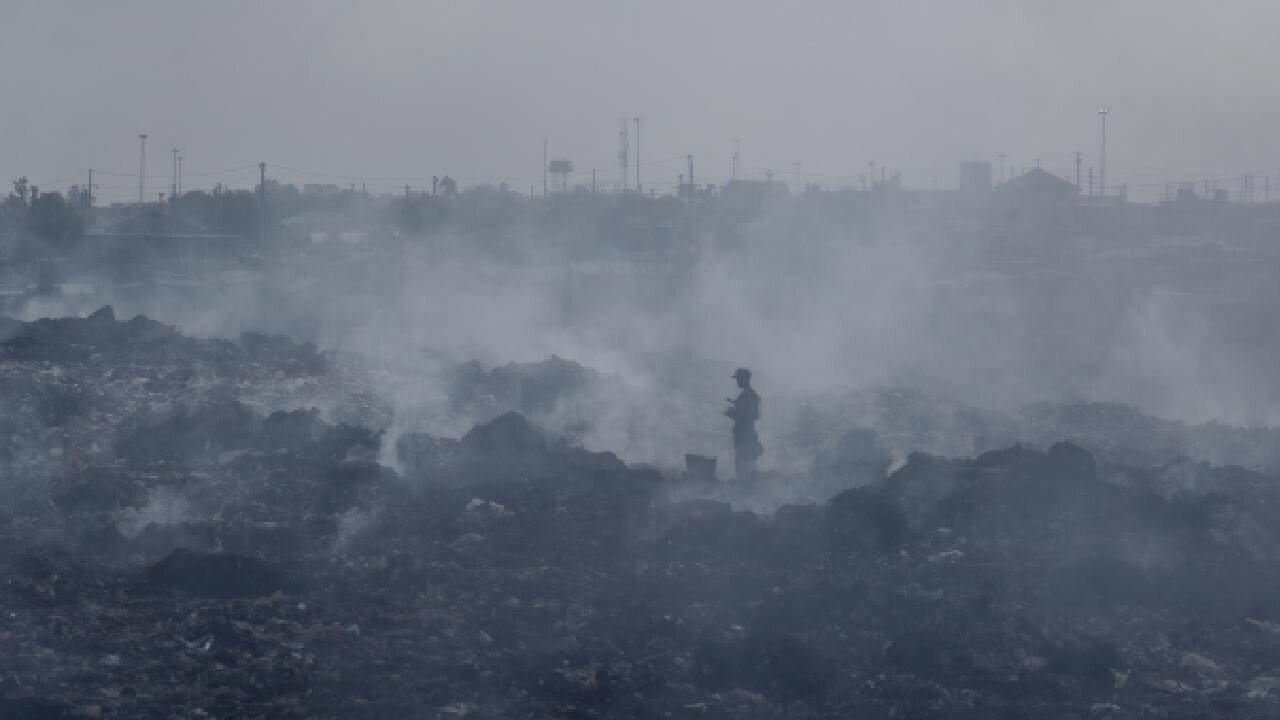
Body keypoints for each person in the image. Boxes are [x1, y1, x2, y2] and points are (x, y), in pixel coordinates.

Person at [725, 367, 763, 481]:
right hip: (746, 434)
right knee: (746, 464)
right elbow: (752, 415)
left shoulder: (748, 395)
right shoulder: (749, 394)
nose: (737, 381)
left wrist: (733, 414)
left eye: (738, 379)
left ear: (744, 379)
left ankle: (746, 490)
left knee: (744, 466)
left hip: (745, 435)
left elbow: (751, 415)